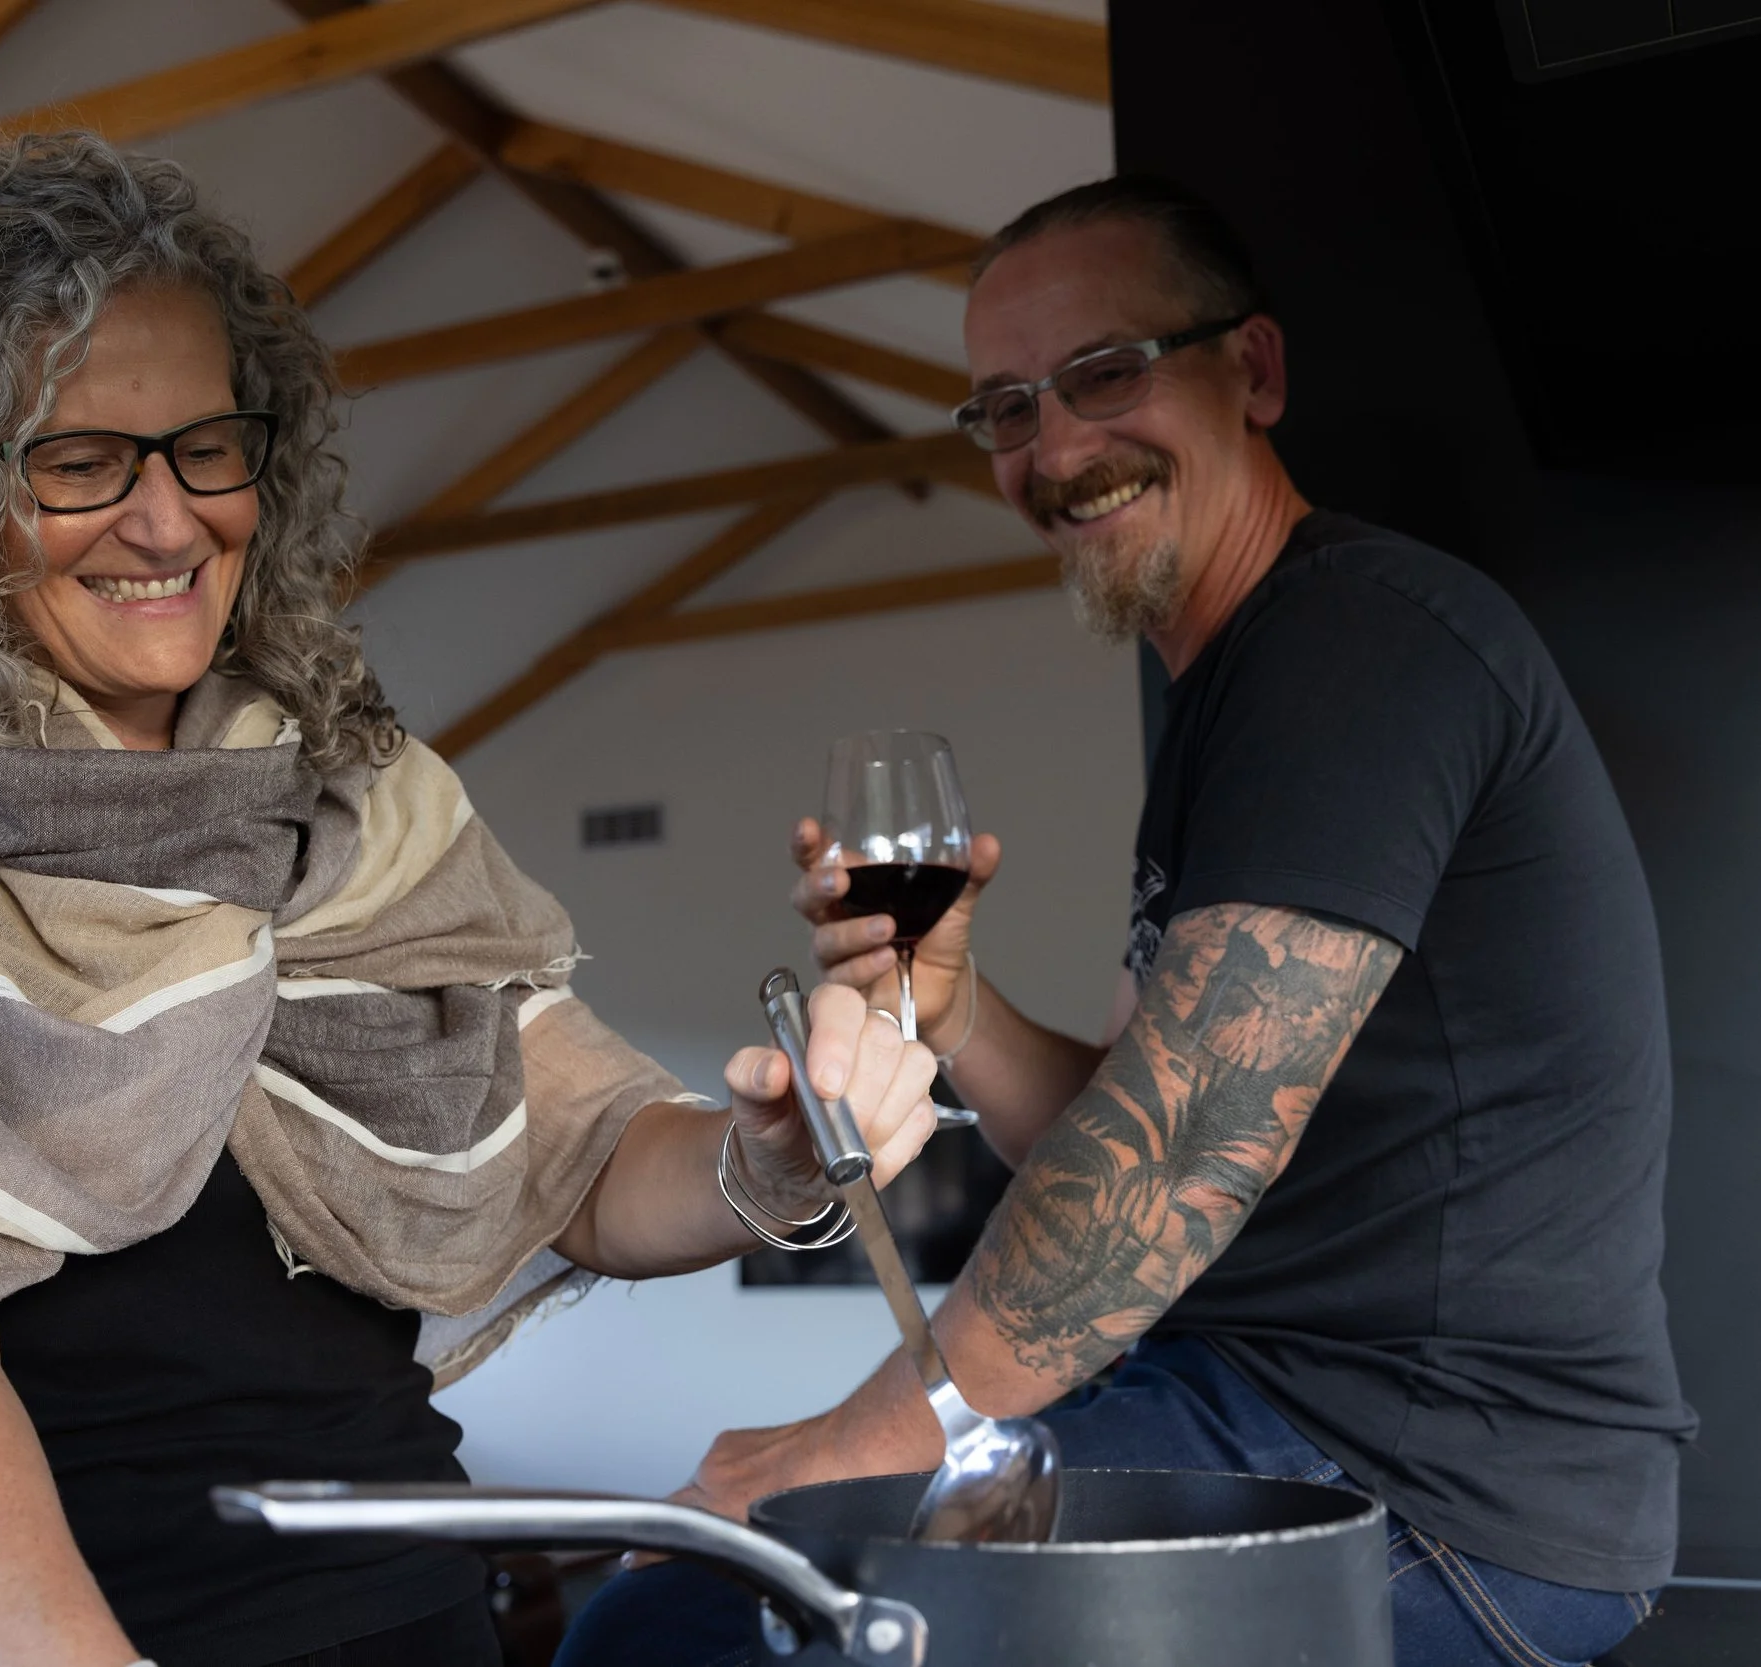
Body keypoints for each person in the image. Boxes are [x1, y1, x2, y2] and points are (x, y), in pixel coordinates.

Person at [0, 134, 940, 1667]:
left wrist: (768, 1153)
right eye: (79, 460)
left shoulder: (355, 796)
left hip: (397, 1623)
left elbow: (583, 1161)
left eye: (211, 446)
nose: (167, 518)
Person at [560, 177, 1695, 1667]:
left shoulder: (1356, 651)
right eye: (1007, 410)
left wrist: (850, 1447)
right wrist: (955, 1005)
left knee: (676, 1630)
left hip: (1434, 1488)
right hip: (1258, 1406)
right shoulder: (1228, 688)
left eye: (1106, 373)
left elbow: (1164, 1167)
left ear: (1255, 372)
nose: (1058, 447)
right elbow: (1108, 1123)